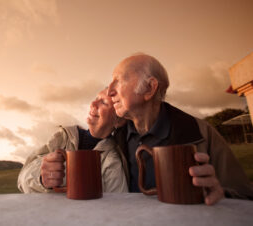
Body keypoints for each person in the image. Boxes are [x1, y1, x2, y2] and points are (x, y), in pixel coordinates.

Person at [107, 53, 253, 205]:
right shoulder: (116, 139)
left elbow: (245, 196)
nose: (110, 91)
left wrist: (221, 195)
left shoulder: (201, 132)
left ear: (150, 88)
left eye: (119, 80)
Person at [17, 88, 128, 193]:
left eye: (103, 102)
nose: (93, 104)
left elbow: (117, 205)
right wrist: (40, 179)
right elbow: (22, 180)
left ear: (118, 121)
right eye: (96, 98)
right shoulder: (63, 138)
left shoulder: (112, 160)